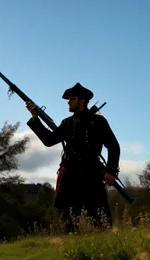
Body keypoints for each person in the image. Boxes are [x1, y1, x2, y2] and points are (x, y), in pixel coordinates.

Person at [25, 82, 120, 231]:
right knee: (68, 220)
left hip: (92, 174)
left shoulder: (98, 121)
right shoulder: (67, 123)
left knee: (101, 219)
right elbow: (49, 140)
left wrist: (110, 171)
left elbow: (113, 147)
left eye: (72, 98)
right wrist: (35, 118)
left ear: (82, 100)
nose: (68, 101)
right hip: (70, 175)